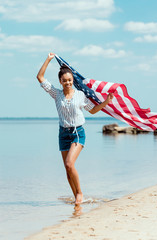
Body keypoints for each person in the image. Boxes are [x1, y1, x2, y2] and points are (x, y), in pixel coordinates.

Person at [36, 53, 114, 205]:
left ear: (73, 80)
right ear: (60, 81)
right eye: (64, 81)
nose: (68, 83)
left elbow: (92, 110)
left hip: (78, 133)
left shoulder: (80, 95)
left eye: (70, 80)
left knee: (69, 164)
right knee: (67, 170)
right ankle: (76, 197)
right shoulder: (56, 94)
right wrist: (49, 59)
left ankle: (79, 194)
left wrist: (106, 102)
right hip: (63, 134)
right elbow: (40, 77)